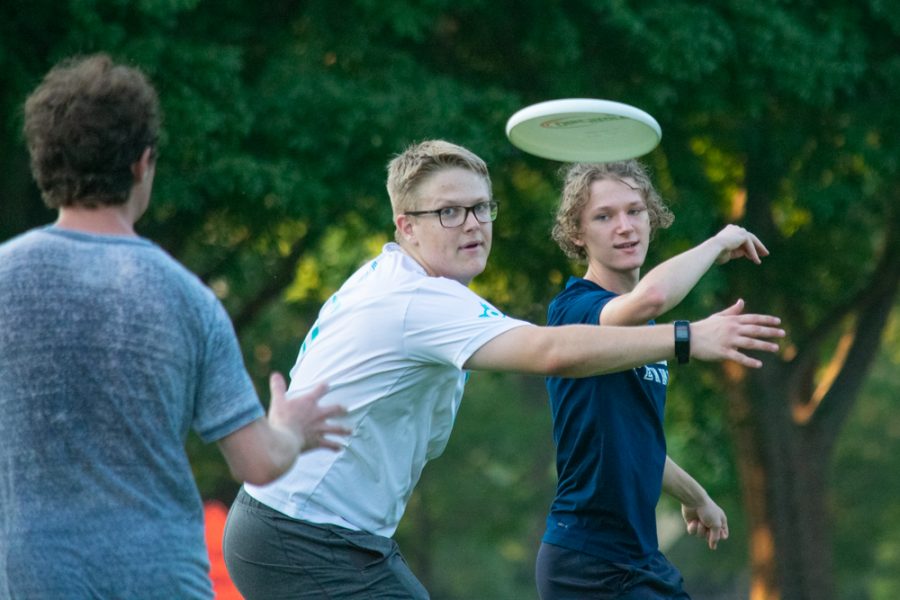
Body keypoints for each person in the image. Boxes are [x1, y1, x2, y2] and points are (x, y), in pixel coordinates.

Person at [222, 139, 785, 599]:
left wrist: (689, 490)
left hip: (330, 535)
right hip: (300, 536)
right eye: (448, 211)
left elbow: (629, 439)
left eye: (481, 207)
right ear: (406, 226)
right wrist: (688, 338)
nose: (472, 224)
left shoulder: (400, 281)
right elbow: (552, 353)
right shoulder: (423, 302)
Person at [0, 54, 347, 599]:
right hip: (163, 577)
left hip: (33, 576)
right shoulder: (188, 298)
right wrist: (292, 430)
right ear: (143, 163)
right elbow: (258, 463)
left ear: (45, 161)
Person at [535, 160, 770, 599]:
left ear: (652, 218)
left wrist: (695, 495)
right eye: (604, 217)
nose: (624, 227)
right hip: (587, 562)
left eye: (635, 211)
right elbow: (652, 298)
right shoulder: (574, 310)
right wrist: (718, 243)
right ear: (576, 234)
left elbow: (633, 440)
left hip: (636, 557)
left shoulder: (645, 331)